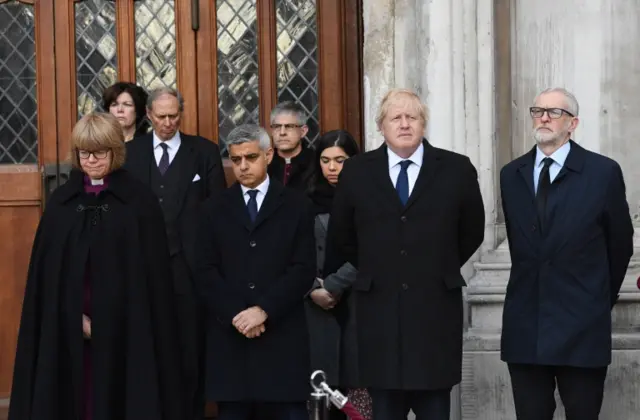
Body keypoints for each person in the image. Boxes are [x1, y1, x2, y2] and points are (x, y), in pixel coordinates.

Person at [8, 112, 183, 420]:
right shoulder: (62, 204)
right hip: (67, 330)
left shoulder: (138, 203)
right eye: (83, 152)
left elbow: (151, 279)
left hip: (127, 331)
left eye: (99, 152)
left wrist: (109, 319)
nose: (90, 160)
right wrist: (75, 316)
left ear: (115, 151)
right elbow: (47, 280)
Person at [327, 88, 485, 420]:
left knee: (434, 408)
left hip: (433, 310)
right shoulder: (356, 171)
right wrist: (380, 265)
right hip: (378, 311)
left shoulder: (456, 169)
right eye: (395, 117)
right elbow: (343, 236)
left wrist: (433, 264)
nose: (404, 124)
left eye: (411, 117)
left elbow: (472, 230)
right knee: (384, 407)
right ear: (381, 127)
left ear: (423, 124)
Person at [500, 87, 634, 420]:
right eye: (538, 110)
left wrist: (597, 296)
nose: (543, 117)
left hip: (582, 324)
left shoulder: (602, 173)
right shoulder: (511, 174)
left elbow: (620, 243)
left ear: (572, 123)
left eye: (554, 112)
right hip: (525, 325)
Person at [196, 124, 315, 420]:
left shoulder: (297, 205)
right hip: (231, 344)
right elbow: (205, 270)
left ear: (269, 155)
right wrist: (238, 314)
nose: (243, 166)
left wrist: (264, 310)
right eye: (236, 160)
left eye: (250, 157)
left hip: (282, 342)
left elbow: (303, 268)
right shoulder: (213, 208)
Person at [124, 87, 226, 420]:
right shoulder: (130, 153)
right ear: (149, 116)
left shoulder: (205, 152)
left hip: (190, 268)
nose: (168, 123)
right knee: (147, 346)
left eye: (174, 116)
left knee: (189, 350)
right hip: (143, 266)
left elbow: (217, 213)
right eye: (161, 116)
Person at [305, 129, 371, 420]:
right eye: (325, 159)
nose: (332, 168)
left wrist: (333, 284)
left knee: (358, 394)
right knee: (320, 391)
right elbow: (289, 254)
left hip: (357, 302)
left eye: (340, 160)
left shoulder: (370, 198)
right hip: (314, 308)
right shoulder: (303, 200)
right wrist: (312, 289)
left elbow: (370, 250)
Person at [267, 101, 314, 191]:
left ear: (303, 131)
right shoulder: (264, 164)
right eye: (277, 126)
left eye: (289, 126)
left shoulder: (316, 163)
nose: (282, 132)